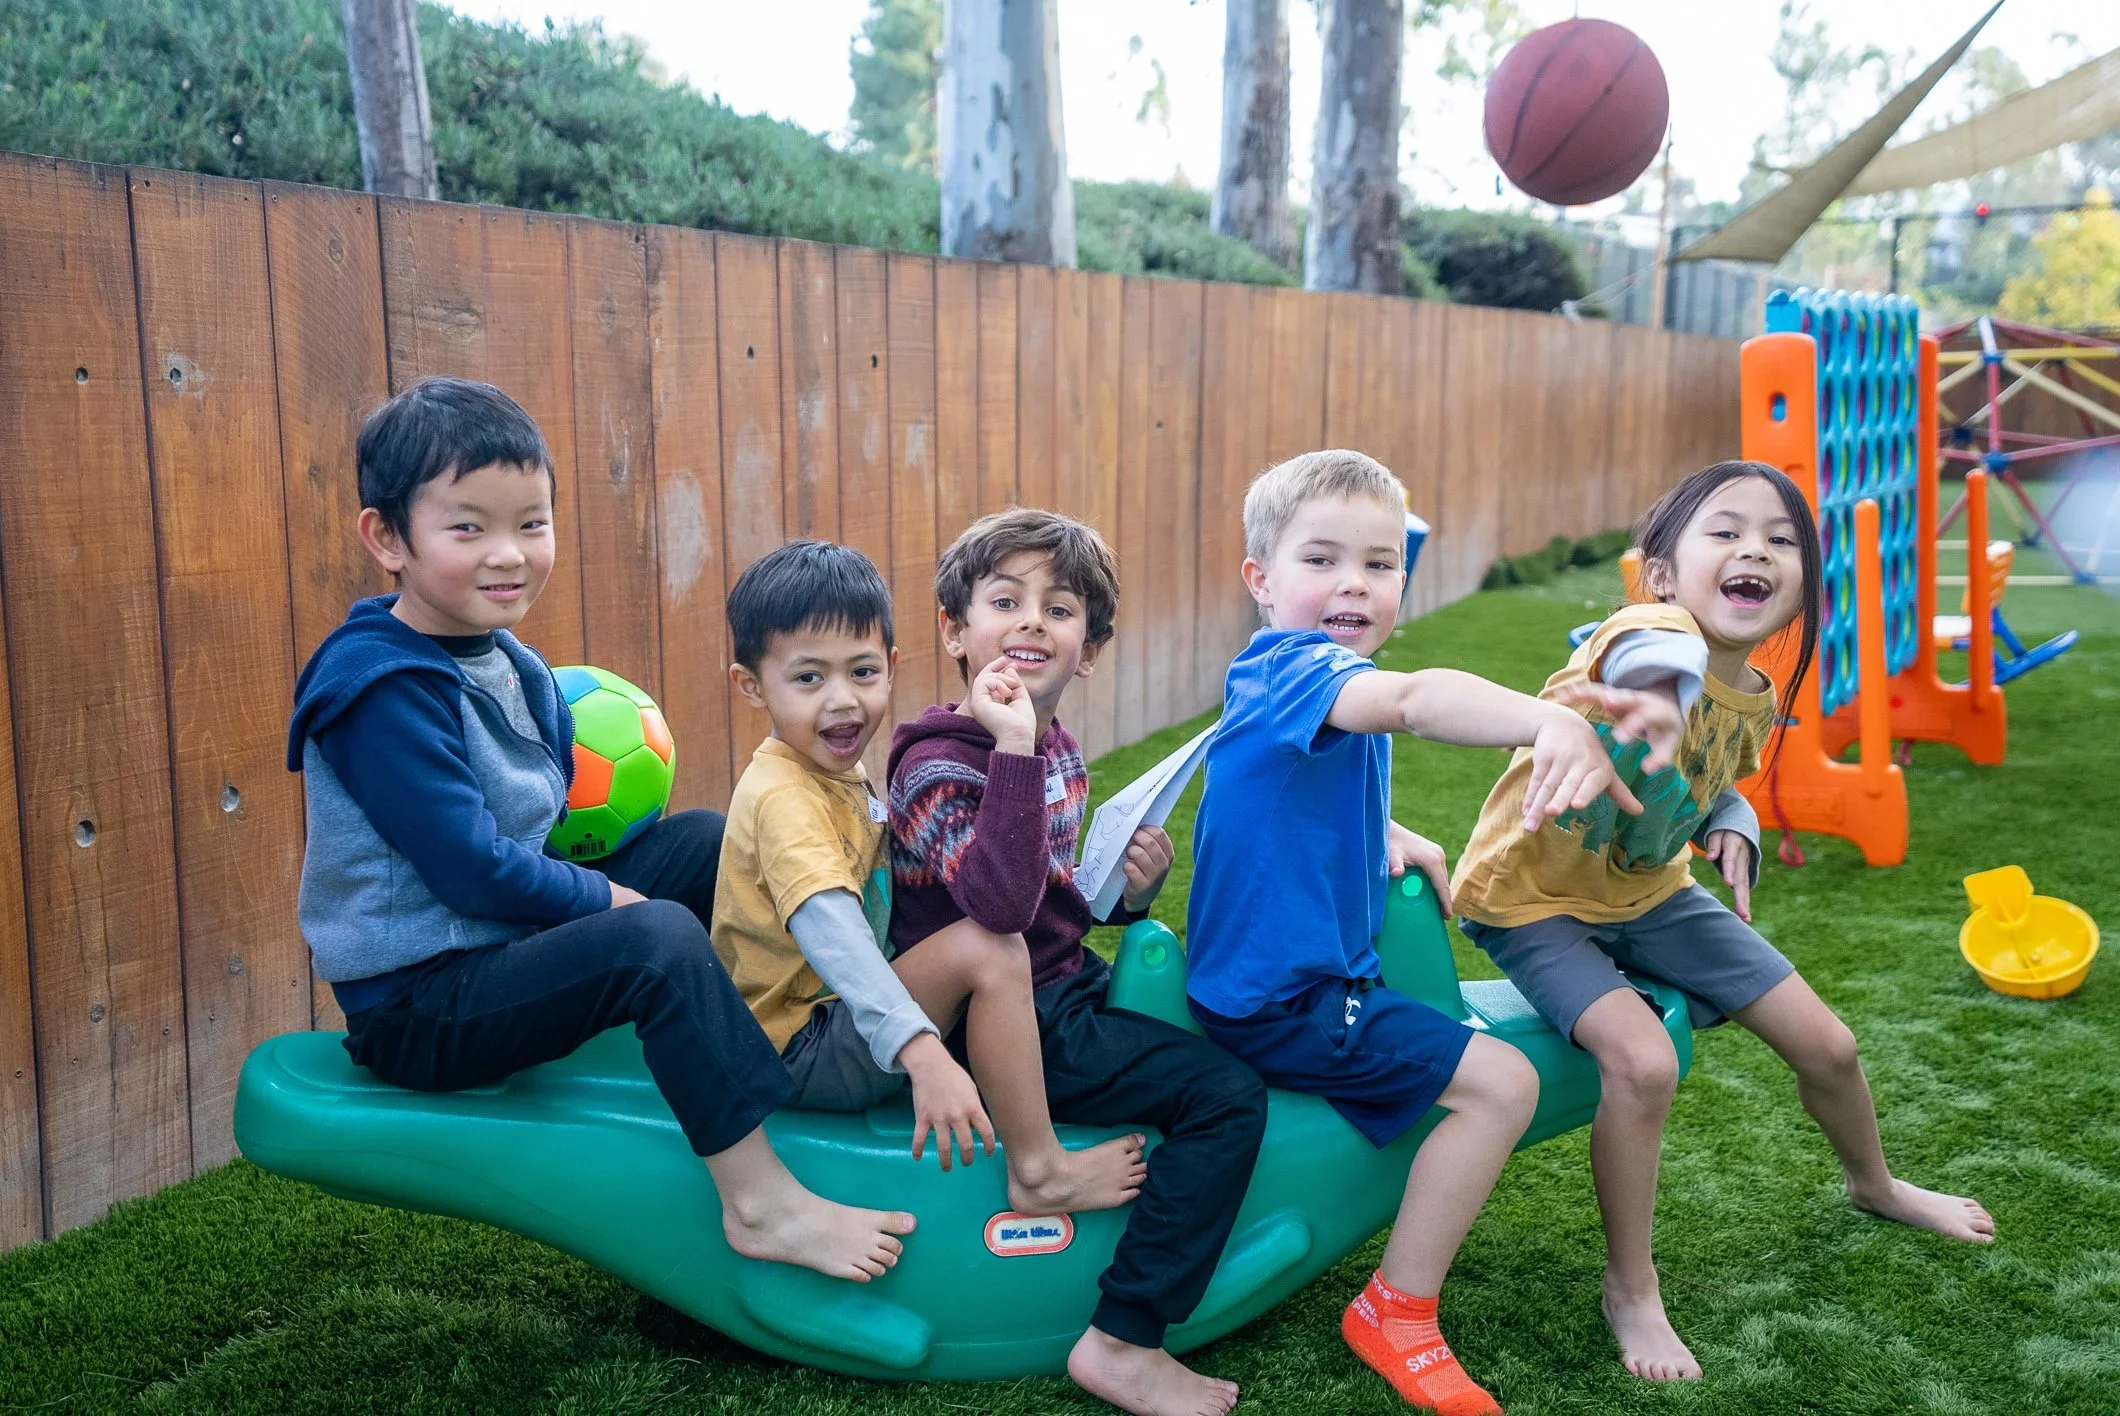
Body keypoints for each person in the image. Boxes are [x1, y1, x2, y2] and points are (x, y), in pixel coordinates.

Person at [286, 377, 913, 1284]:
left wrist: (607, 875)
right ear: (388, 537)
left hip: (494, 944)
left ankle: (780, 1044)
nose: (508, 555)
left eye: (530, 523)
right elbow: (470, 869)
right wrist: (607, 898)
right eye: (469, 528)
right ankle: (760, 1205)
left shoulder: (502, 657)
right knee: (651, 937)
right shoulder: (381, 688)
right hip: (422, 1004)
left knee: (704, 841)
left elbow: (535, 820)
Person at [1451, 458, 1995, 1383]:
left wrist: (1733, 822)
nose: (1756, 549)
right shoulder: (1648, 633)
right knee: (1645, 1061)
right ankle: (1631, 1286)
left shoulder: (1756, 689)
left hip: (1654, 889)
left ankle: (1875, 1184)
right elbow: (1648, 662)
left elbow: (1718, 780)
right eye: (1727, 531)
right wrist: (1659, 700)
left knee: (1829, 1045)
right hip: (1533, 899)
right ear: (1662, 572)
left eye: (1781, 541)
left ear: (1798, 587)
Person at [1186, 450, 1670, 1416]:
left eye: (1378, 565)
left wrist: (1396, 835)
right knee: (1506, 1082)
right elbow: (1414, 699)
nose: (1352, 584)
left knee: (1481, 1060)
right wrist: (1544, 723)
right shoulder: (1294, 667)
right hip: (1283, 999)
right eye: (1320, 560)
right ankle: (1395, 1312)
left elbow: (1281, 796)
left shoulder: (1313, 686)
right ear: (1260, 579)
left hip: (1302, 980)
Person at [888, 509, 1269, 1416]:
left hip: (1055, 991)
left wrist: (1128, 893)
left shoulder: (1054, 747)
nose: (1030, 623)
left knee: (1216, 1027)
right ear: (954, 628)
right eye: (1004, 601)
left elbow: (1055, 905)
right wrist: (1013, 748)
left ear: (1087, 649)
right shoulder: (937, 762)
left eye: (1059, 611)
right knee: (1227, 1098)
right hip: (990, 1028)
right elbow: (1000, 912)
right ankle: (1125, 1338)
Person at [713, 538, 1141, 1207]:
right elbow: (836, 938)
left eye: (860, 673)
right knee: (990, 945)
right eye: (808, 679)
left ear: (890, 666)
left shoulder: (826, 767)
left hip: (836, 1018)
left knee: (989, 940)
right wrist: (922, 1051)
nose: (842, 702)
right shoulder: (783, 798)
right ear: (750, 683)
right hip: (797, 1048)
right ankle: (1040, 1170)